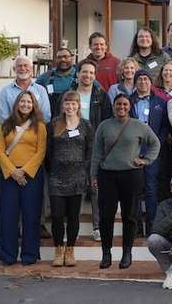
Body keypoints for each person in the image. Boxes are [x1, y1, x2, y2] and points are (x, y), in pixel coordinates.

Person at [91, 94, 161, 269]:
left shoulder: (138, 126)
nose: (121, 107)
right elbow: (96, 153)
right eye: (118, 104)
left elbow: (155, 143)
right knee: (106, 217)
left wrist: (145, 160)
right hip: (107, 175)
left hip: (131, 174)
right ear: (113, 106)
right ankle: (106, 253)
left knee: (130, 216)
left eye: (124, 104)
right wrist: (93, 176)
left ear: (129, 107)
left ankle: (127, 253)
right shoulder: (104, 126)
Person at [0, 91, 47, 265]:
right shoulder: (6, 125)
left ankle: (29, 255)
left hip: (31, 176)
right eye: (22, 101)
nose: (25, 104)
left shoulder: (39, 126)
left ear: (34, 105)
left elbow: (41, 152)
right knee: (7, 216)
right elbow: (0, 150)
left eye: (29, 102)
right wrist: (13, 171)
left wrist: (24, 171)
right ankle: (7, 256)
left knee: (31, 216)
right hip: (9, 176)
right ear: (17, 104)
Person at [46, 91, 93, 267]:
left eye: (73, 103)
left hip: (77, 177)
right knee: (57, 215)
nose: (70, 107)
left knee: (73, 216)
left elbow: (90, 150)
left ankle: (70, 250)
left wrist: (85, 170)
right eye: (67, 103)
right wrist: (54, 167)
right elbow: (48, 151)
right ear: (62, 105)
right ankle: (58, 249)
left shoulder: (86, 125)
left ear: (78, 105)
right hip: (57, 177)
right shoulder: (54, 125)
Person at [68, 59, 112, 240]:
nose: (87, 75)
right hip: (73, 147)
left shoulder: (101, 95)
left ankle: (98, 227)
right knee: (74, 187)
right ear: (77, 74)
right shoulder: (69, 95)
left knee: (95, 187)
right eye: (84, 72)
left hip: (95, 147)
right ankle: (72, 228)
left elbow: (108, 121)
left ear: (95, 76)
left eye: (91, 73)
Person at [129, 70, 171, 235]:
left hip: (153, 152)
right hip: (133, 151)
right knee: (135, 190)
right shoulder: (128, 101)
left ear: (151, 82)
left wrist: (157, 143)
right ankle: (136, 226)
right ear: (135, 82)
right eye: (139, 79)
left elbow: (165, 126)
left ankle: (152, 224)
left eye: (146, 79)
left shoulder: (161, 102)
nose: (143, 82)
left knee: (152, 187)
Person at [0, 56, 51, 123]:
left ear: (31, 69)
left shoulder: (41, 90)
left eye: (26, 65)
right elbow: (3, 117)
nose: (23, 68)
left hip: (36, 131)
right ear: (14, 69)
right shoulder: (5, 91)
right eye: (19, 66)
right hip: (13, 131)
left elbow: (46, 116)